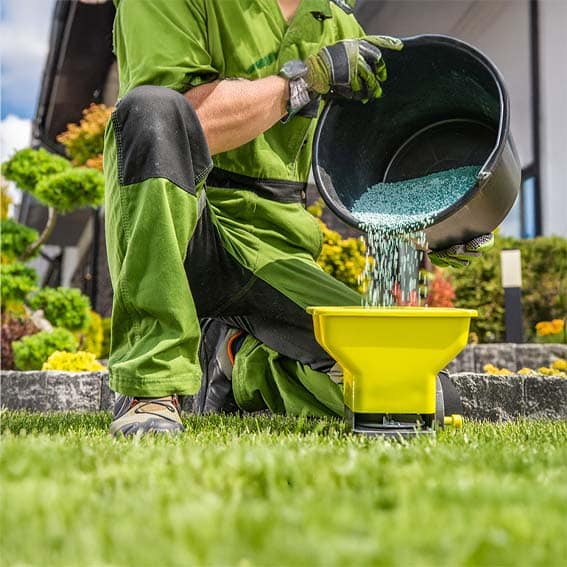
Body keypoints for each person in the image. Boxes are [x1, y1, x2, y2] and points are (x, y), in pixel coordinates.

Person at [105, 0, 491, 436]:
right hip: (177, 218)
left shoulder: (339, 26)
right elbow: (180, 121)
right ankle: (149, 388)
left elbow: (373, 161)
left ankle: (240, 362)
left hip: (272, 244)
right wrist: (301, 82)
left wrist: (438, 223)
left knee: (420, 394)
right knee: (153, 109)